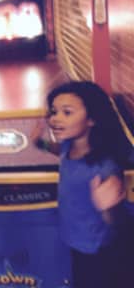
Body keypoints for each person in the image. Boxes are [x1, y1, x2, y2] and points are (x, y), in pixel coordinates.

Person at [32, 82, 134, 287]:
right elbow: (58, 151)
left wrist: (108, 208)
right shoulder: (70, 146)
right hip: (76, 239)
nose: (55, 119)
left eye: (67, 112)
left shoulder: (104, 167)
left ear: (92, 119)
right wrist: (39, 143)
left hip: (98, 250)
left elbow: (117, 223)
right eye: (54, 112)